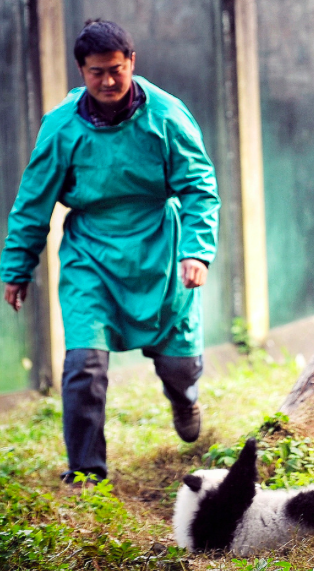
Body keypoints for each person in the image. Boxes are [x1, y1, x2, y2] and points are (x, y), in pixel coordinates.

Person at [0, 19, 221, 485]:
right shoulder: (61, 127)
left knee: (178, 365)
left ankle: (184, 399)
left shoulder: (166, 114)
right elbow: (33, 202)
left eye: (116, 70)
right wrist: (17, 268)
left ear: (132, 63)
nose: (107, 81)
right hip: (90, 255)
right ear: (82, 70)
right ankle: (86, 474)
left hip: (160, 250)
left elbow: (200, 187)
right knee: (84, 365)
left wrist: (196, 251)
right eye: (96, 72)